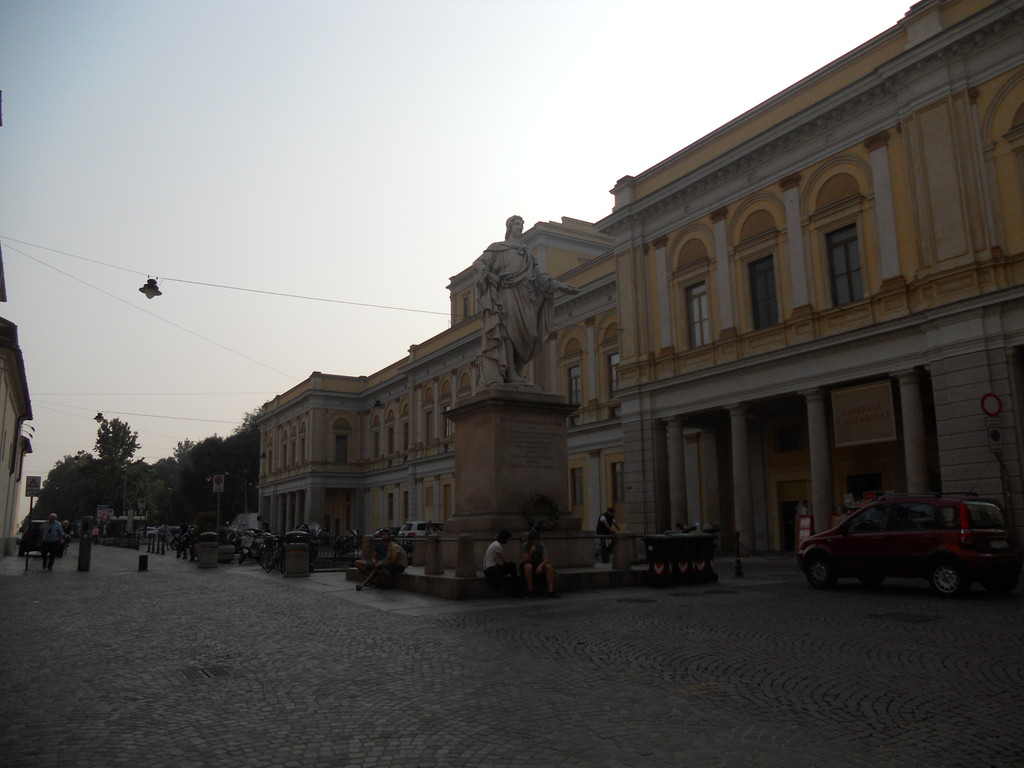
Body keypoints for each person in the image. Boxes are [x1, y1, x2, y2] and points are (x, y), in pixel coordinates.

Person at [473, 215, 580, 387]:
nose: (520, 226)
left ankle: (517, 370)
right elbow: (478, 263)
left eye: (522, 224)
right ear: (509, 227)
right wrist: (490, 275)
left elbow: (540, 277)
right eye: (517, 224)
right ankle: (511, 373)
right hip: (507, 292)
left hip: (526, 295)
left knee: (530, 334)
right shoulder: (498, 248)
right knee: (509, 331)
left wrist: (559, 286)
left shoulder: (527, 254)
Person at [483, 529, 524, 597]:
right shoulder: (497, 546)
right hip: (491, 571)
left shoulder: (495, 543)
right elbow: (504, 560)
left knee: (511, 567)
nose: (508, 541)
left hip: (489, 569)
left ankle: (517, 589)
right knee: (512, 566)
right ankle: (517, 590)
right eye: (508, 539)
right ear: (505, 538)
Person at [520, 529, 559, 597]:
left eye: (535, 540)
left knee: (549, 567)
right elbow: (526, 561)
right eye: (532, 540)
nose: (533, 542)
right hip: (527, 564)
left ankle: (550, 591)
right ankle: (530, 590)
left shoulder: (541, 546)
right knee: (528, 566)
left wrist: (540, 566)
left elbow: (545, 559)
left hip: (538, 564)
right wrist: (530, 553)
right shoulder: (525, 546)